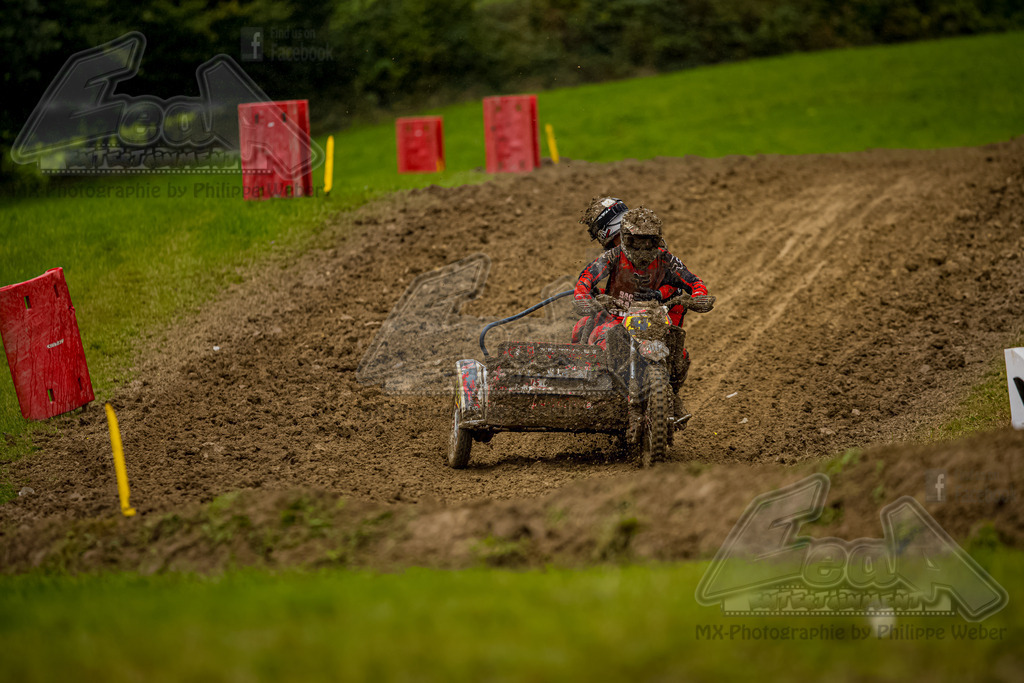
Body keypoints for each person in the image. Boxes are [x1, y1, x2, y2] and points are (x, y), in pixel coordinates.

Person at [572, 206, 714, 420]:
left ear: (657, 241)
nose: (642, 250)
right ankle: (585, 391)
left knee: (679, 354)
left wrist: (697, 297)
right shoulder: (613, 256)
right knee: (596, 339)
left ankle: (671, 396)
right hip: (617, 315)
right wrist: (583, 298)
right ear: (625, 239)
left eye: (648, 243)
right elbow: (586, 278)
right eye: (636, 243)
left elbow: (694, 281)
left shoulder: (666, 259)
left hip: (655, 317)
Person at [571, 197, 628, 344]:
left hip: (649, 318)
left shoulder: (652, 253)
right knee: (581, 328)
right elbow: (588, 275)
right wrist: (597, 295)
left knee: (602, 335)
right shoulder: (615, 254)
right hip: (622, 312)